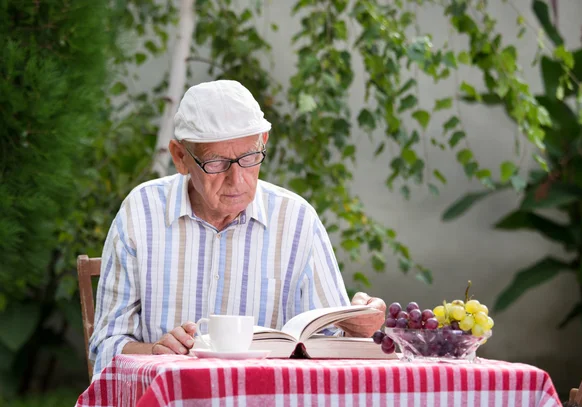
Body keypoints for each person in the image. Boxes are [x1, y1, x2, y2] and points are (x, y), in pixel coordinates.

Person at [89, 80, 386, 379]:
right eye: (217, 163)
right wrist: (156, 352)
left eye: (249, 158)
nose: (238, 180)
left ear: (263, 142)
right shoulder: (141, 212)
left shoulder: (296, 220)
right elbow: (106, 346)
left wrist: (358, 324)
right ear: (180, 157)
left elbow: (334, 345)